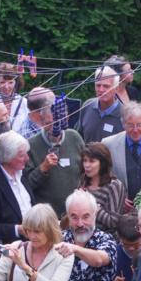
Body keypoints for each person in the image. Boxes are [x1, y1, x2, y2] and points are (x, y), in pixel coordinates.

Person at [57, 190, 117, 281]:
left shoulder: (106, 240)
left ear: (95, 215)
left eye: (85, 217)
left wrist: (75, 249)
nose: (80, 223)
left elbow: (99, 260)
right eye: (74, 217)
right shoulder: (61, 238)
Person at [25, 87, 86, 217]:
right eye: (48, 123)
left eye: (57, 122)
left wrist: (84, 187)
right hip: (47, 217)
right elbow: (27, 185)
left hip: (74, 214)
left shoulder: (74, 137)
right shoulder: (31, 145)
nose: (53, 128)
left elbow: (86, 170)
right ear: (41, 121)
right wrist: (43, 168)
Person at [101, 102, 141, 204]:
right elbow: (103, 177)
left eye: (139, 125)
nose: (135, 130)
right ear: (123, 124)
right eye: (130, 125)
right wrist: (118, 198)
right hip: (120, 210)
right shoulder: (108, 144)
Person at [0, 130, 35, 244]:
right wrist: (17, 230)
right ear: (8, 157)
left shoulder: (22, 173)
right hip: (10, 250)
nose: (27, 158)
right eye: (21, 155)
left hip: (33, 242)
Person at [78, 142, 126, 233]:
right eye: (85, 160)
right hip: (82, 234)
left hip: (104, 239)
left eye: (92, 161)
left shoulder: (114, 185)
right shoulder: (83, 180)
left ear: (102, 163)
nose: (87, 165)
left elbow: (114, 222)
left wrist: (92, 206)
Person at [79, 65, 123, 144]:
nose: (101, 90)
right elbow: (78, 139)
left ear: (116, 88)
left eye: (106, 86)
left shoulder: (124, 114)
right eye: (98, 85)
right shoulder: (87, 106)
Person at [0, 61, 30, 137]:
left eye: (10, 82)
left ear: (16, 83)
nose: (6, 87)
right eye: (2, 82)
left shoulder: (24, 103)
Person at [113, 214, 141, 281]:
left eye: (136, 244)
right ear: (119, 238)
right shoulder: (113, 256)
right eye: (126, 244)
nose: (132, 248)